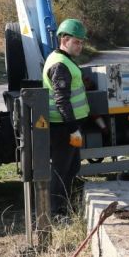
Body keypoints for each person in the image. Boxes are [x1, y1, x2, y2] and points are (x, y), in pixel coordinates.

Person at [42, 18, 90, 217]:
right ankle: (57, 211)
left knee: (72, 167)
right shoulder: (60, 64)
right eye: (77, 42)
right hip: (62, 127)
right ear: (64, 39)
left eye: (82, 42)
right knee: (62, 170)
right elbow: (62, 100)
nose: (80, 46)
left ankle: (65, 205)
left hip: (67, 125)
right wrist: (73, 129)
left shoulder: (61, 59)